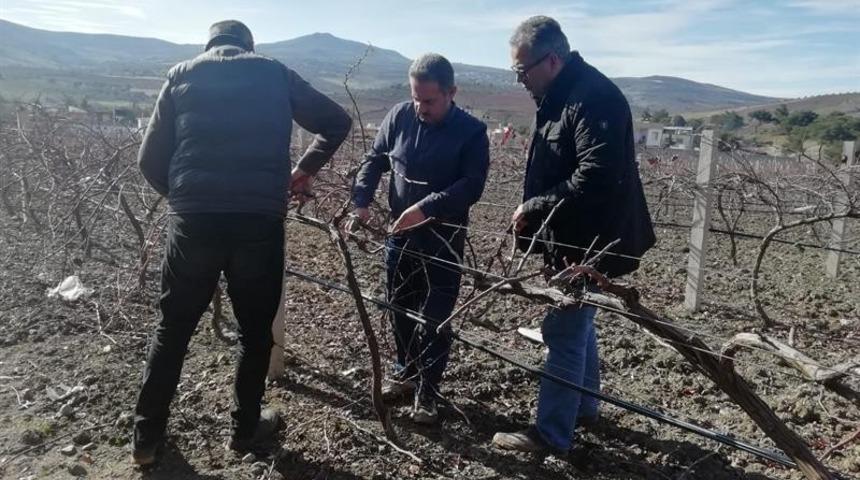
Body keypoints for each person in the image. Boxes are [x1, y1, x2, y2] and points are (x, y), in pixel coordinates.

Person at [132, 19, 351, 466]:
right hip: (257, 222)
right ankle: (244, 431)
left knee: (172, 329)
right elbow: (336, 121)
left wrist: (187, 198)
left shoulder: (181, 74)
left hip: (194, 222)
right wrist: (304, 169)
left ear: (209, 45)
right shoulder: (274, 72)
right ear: (248, 46)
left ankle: (146, 440)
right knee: (254, 334)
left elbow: (149, 159)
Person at [492, 16, 655, 454]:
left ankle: (551, 434)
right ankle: (584, 407)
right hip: (571, 237)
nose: (520, 79)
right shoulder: (561, 93)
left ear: (553, 59)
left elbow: (596, 176)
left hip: (590, 242)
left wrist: (534, 206)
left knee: (563, 328)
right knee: (579, 322)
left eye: (522, 70)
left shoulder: (593, 97)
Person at [349, 53, 489, 424]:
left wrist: (427, 208)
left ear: (451, 92)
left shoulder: (472, 133)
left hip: (443, 238)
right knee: (398, 306)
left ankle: (428, 391)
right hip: (401, 235)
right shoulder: (399, 116)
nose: (420, 107)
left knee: (435, 318)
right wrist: (361, 200)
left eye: (429, 101)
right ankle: (406, 372)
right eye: (415, 98)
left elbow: (471, 186)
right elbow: (375, 158)